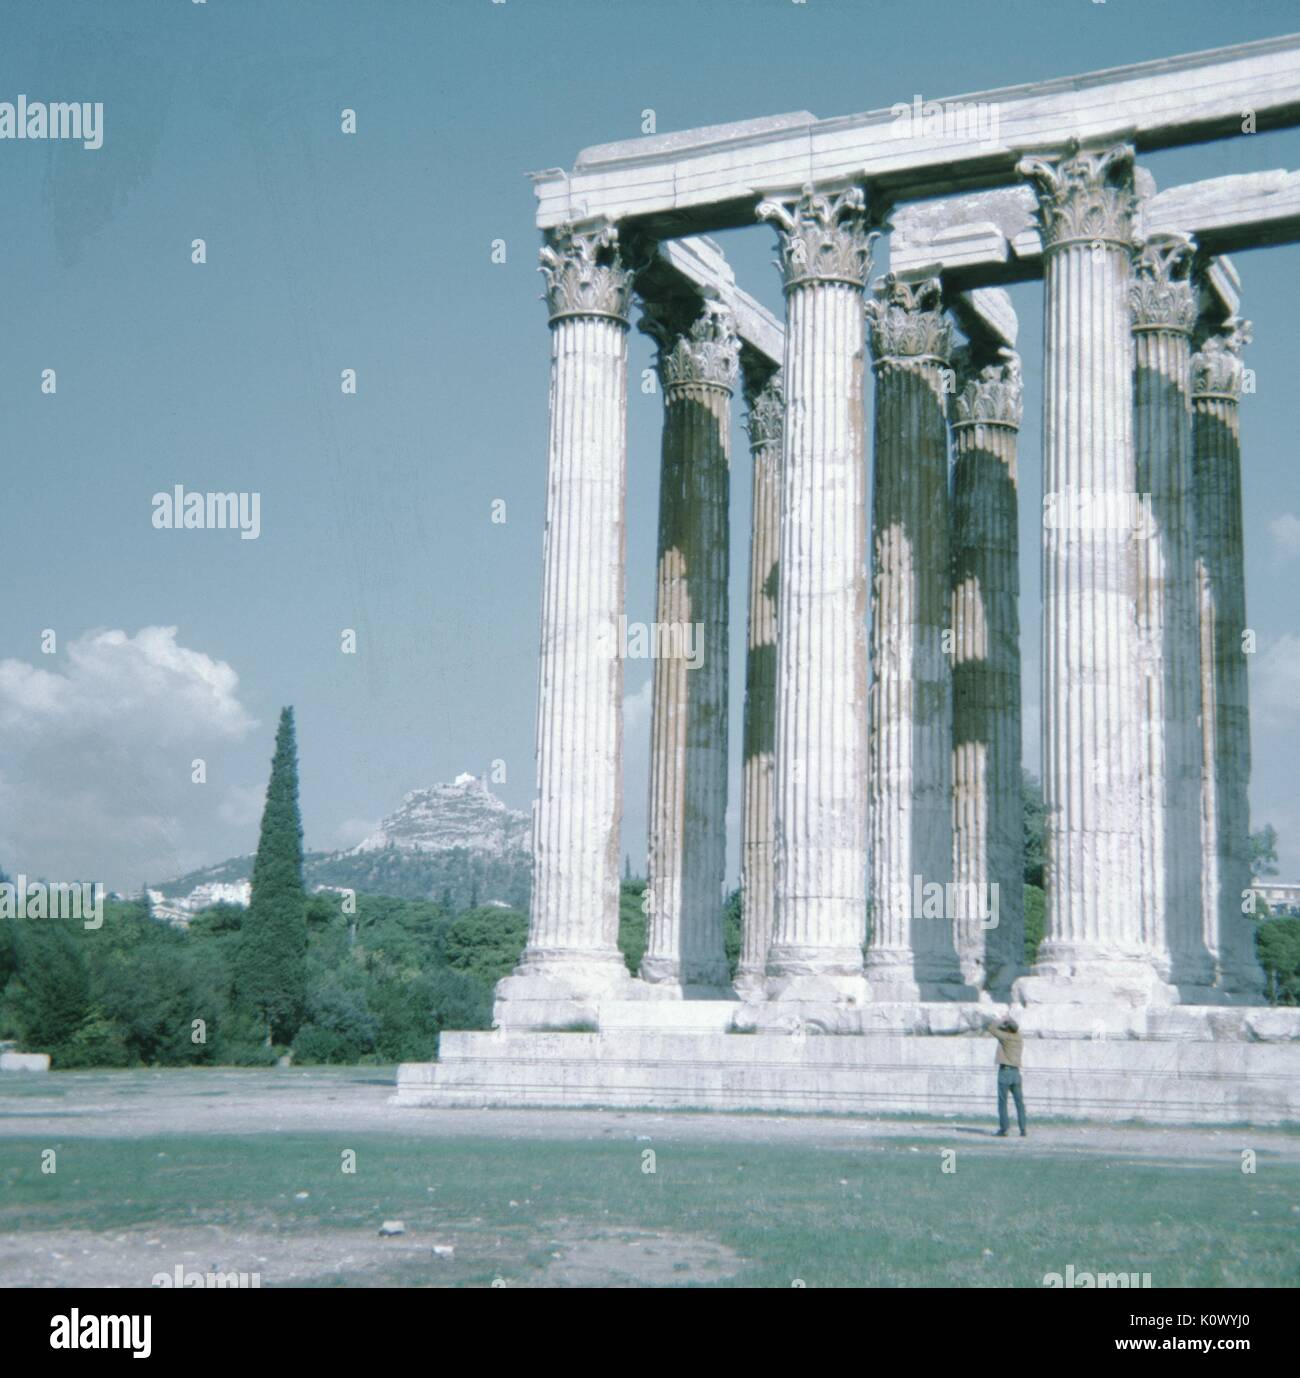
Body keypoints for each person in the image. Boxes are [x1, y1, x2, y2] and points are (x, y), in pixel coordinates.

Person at [987, 1015, 1027, 1137]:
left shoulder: (1006, 1037)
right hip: (1016, 1073)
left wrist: (1002, 1020)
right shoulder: (1019, 1037)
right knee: (1019, 1103)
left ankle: (1004, 1129)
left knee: (1002, 1102)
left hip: (1005, 1072)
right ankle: (1023, 1129)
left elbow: (991, 1028)